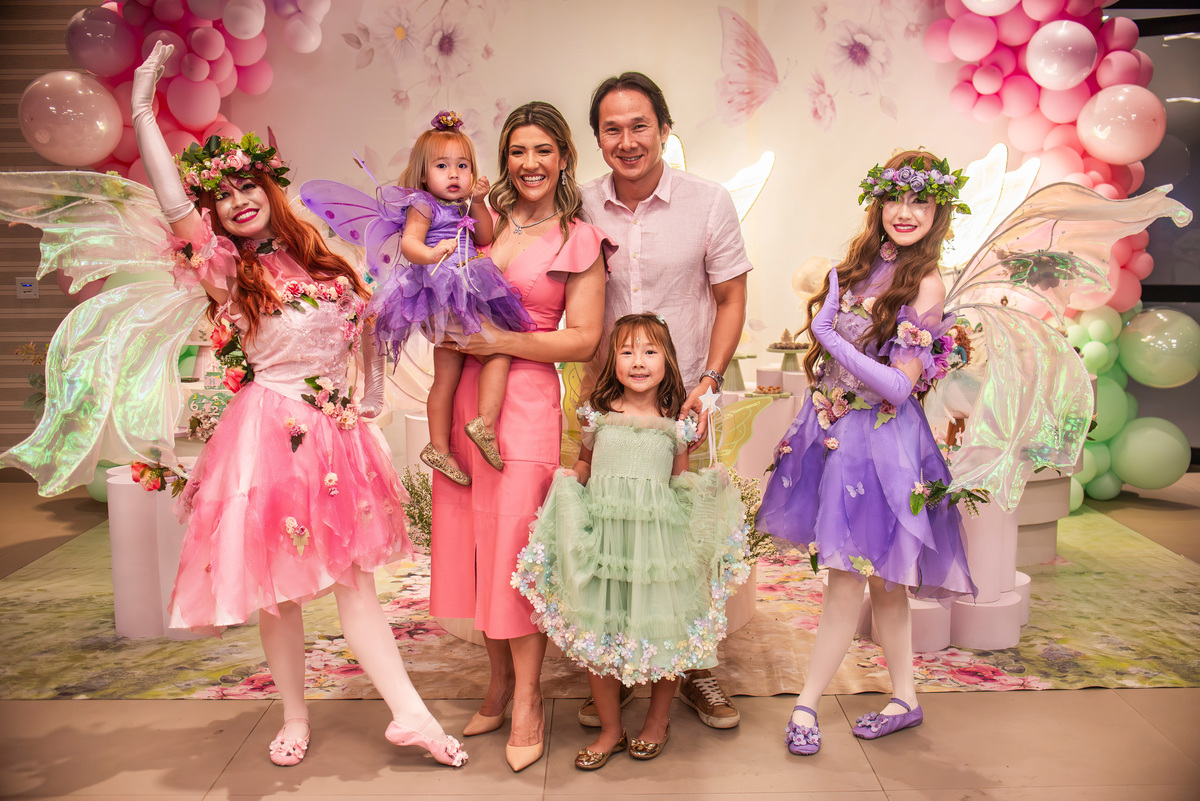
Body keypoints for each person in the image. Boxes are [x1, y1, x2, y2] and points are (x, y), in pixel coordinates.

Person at [132, 44, 466, 768]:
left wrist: (366, 400)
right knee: (277, 594)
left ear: (269, 187)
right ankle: (292, 715)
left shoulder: (322, 256)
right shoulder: (228, 271)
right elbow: (173, 205)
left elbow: (368, 327)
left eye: (247, 185)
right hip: (267, 434)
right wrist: (140, 112)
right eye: (223, 195)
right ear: (214, 213)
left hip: (335, 439)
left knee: (356, 585)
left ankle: (411, 716)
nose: (238, 200)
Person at [756, 150, 977, 755]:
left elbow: (900, 386)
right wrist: (825, 351)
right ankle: (905, 697)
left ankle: (806, 704)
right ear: (877, 203)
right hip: (837, 434)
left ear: (938, 212)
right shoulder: (855, 269)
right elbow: (837, 367)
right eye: (895, 198)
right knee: (879, 582)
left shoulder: (927, 283)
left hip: (883, 443)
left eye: (920, 201)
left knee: (859, 581)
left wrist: (829, 337)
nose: (906, 212)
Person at [429, 101, 608, 772]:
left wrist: (501, 342)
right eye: (517, 150)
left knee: (515, 551)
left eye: (542, 150)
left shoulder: (579, 239)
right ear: (504, 159)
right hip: (466, 398)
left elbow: (583, 337)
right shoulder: (485, 224)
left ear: (563, 158)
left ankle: (529, 698)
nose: (529, 163)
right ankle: (498, 683)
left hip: (527, 403)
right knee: (478, 548)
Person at [579, 71, 750, 730]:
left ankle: (694, 667)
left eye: (639, 126)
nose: (627, 141)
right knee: (618, 533)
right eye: (612, 129)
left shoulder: (708, 201)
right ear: (598, 139)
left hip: (685, 402)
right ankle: (622, 661)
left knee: (685, 538)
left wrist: (710, 379)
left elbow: (731, 297)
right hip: (610, 403)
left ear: (665, 129)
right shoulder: (580, 207)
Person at [513, 313, 748, 770]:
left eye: (649, 351)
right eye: (626, 352)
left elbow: (679, 482)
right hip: (606, 544)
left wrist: (708, 489)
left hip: (656, 549)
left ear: (667, 360)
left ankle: (657, 720)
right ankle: (610, 729)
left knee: (664, 630)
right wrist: (570, 480)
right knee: (600, 632)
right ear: (613, 361)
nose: (638, 362)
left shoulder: (676, 425)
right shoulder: (598, 416)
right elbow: (585, 465)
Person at [308, 111, 535, 486]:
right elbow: (411, 243)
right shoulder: (424, 205)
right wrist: (431, 254)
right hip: (443, 287)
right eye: (442, 166)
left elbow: (483, 236)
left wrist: (479, 202)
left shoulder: (462, 206)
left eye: (462, 165)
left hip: (467, 283)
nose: (454, 174)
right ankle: (483, 424)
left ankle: (440, 447)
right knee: (497, 350)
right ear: (424, 174)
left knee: (449, 373)